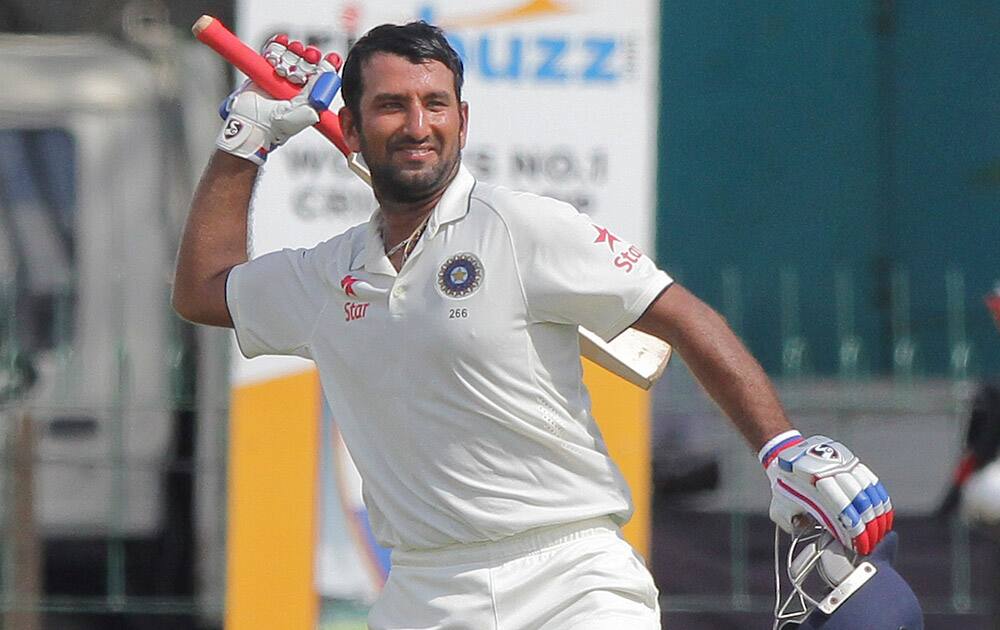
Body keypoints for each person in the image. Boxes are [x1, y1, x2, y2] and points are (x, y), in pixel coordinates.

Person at [173, 21, 894, 629]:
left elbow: (682, 315)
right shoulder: (324, 276)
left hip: (571, 578)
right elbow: (203, 292)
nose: (418, 126)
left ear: (462, 119)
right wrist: (247, 140)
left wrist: (782, 450)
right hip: (424, 591)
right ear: (353, 127)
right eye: (392, 107)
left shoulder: (523, 228)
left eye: (436, 104)